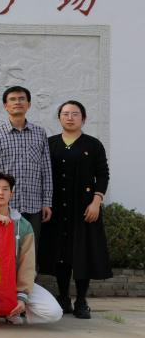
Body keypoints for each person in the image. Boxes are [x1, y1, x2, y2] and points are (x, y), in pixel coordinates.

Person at [0, 172, 63, 328]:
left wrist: (21, 296)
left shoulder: (24, 225)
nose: (0, 193)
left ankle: (10, 308)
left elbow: (27, 264)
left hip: (10, 282)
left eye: (5, 189)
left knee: (53, 312)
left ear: (11, 194)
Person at [40, 101, 112, 319]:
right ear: (59, 118)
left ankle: (81, 300)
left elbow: (103, 174)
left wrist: (96, 202)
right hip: (56, 208)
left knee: (82, 253)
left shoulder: (93, 145)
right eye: (65, 114)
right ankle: (63, 298)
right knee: (61, 254)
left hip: (84, 208)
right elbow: (43, 173)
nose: (70, 117)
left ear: (84, 118)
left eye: (75, 114)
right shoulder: (50, 143)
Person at [0, 86, 53, 243]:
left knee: (30, 249)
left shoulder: (40, 133)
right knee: (4, 247)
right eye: (13, 99)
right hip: (5, 205)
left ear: (29, 104)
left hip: (34, 204)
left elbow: (46, 170)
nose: (17, 102)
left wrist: (47, 202)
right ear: (5, 105)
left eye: (22, 99)